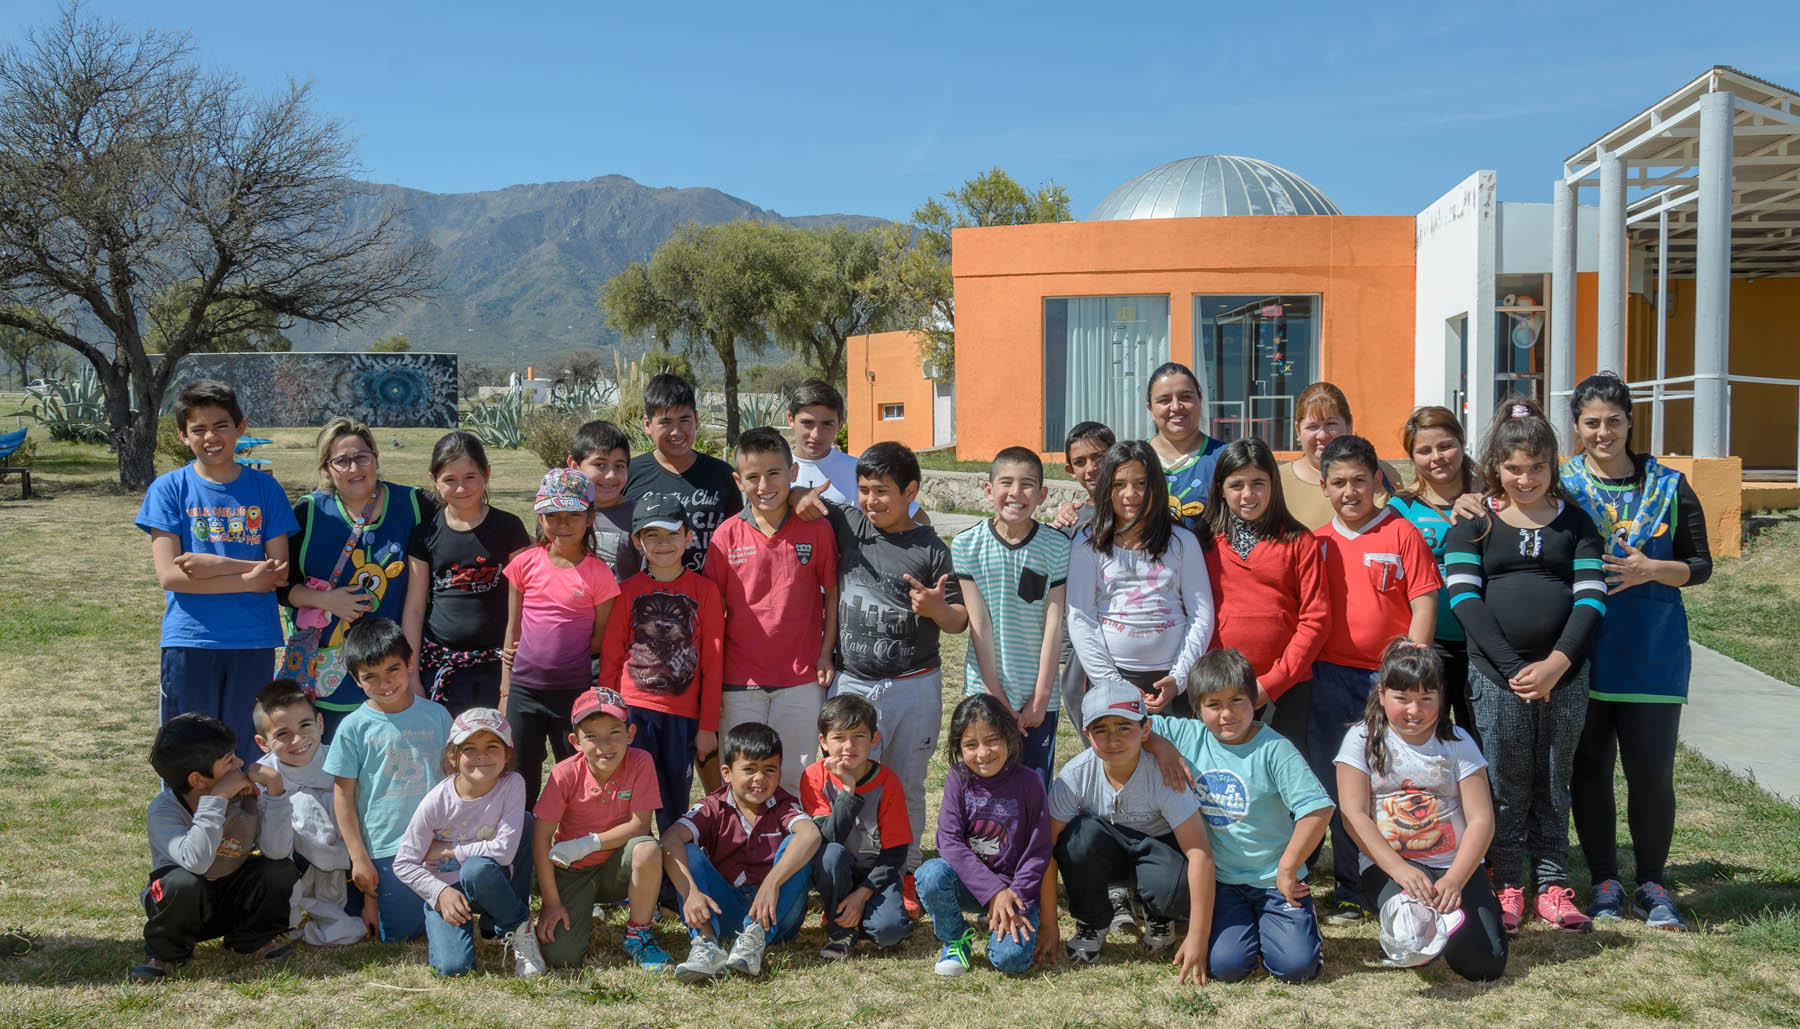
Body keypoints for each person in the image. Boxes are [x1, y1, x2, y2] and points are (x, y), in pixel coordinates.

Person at [1445, 399, 1607, 934]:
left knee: (1555, 778)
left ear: (1552, 467)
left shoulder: (1577, 524)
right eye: (1514, 468)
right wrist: (1515, 667)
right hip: (1497, 677)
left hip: (1565, 675)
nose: (1526, 478)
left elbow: (1591, 600)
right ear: (1497, 467)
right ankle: (1507, 880)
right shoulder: (1475, 522)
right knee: (1507, 782)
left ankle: (1554, 883)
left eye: (1537, 468)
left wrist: (1557, 663)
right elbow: (1465, 600)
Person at [1561, 372, 1712, 930]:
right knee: (1590, 770)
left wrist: (1653, 569)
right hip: (1584, 651)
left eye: (1614, 421)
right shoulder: (1562, 486)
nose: (1604, 432)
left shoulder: (1670, 486)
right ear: (1577, 427)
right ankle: (1603, 879)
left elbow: (1700, 565)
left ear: (1630, 423)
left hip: (1652, 652)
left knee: (1651, 775)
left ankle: (1652, 882)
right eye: (1592, 423)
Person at [822, 441, 967, 907]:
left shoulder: (930, 547)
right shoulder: (847, 523)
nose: (871, 501)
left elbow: (959, 619)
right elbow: (799, 502)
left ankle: (903, 869)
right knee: (849, 775)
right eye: (864, 490)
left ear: (911, 491)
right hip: (854, 683)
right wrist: (803, 500)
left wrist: (936, 608)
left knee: (906, 781)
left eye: (883, 491)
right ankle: (843, 863)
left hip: (914, 683)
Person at [1310, 434, 1440, 925]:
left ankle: (1395, 873)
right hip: (1327, 676)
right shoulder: (1318, 541)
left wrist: (1411, 669)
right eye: (1339, 482)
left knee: (1387, 780)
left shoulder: (1401, 533)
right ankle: (1347, 884)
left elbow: (1424, 599)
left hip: (1385, 683)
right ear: (1324, 487)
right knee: (1339, 783)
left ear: (1377, 481)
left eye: (1359, 481)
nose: (1350, 491)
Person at [1144, 649, 1332, 984]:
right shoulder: (1188, 735)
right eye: (1213, 705)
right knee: (1227, 967)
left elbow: (1317, 810)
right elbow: (1135, 723)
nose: (1226, 714)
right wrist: (1162, 747)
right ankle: (1251, 931)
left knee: (1296, 968)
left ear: (1255, 700)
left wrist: (1288, 869)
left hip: (1276, 881)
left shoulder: (1275, 750)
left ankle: (1288, 927)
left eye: (1237, 701)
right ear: (1197, 709)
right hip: (1224, 882)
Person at [136, 380, 296, 762]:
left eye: (221, 425)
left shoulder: (265, 489)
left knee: (246, 752)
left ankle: (240, 823)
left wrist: (214, 566)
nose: (211, 436)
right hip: (191, 641)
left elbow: (278, 573)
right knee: (190, 753)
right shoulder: (168, 489)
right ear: (182, 435)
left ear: (240, 427)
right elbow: (171, 577)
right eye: (199, 429)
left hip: (252, 641)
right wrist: (244, 578)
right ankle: (189, 824)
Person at [1334, 640, 1508, 982]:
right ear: (1382, 694)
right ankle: (1420, 927)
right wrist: (1400, 871)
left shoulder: (1458, 742)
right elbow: (1353, 815)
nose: (1414, 710)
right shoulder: (1362, 738)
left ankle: (1456, 917)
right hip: (1391, 864)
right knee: (1414, 942)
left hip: (1453, 865)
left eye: (1426, 699)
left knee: (1484, 965)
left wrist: (1456, 879)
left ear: (1441, 696)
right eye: (1403, 699)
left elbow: (1481, 819)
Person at [1037, 680, 1214, 981]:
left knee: (1173, 881)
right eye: (1101, 729)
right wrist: (1049, 924)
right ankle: (1092, 921)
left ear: (1146, 731)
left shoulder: (1164, 774)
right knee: (1076, 839)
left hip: (1156, 849)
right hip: (1106, 852)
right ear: (1087, 734)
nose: (1113, 739)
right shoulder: (1075, 776)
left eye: (1124, 727)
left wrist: (1198, 936)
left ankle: (1160, 917)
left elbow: (1200, 854)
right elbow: (1045, 850)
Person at [704, 426, 839, 794]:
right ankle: (742, 851)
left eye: (774, 473)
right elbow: (713, 614)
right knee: (744, 780)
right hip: (739, 683)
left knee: (795, 780)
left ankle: (792, 850)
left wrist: (826, 653)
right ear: (738, 481)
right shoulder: (725, 537)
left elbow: (831, 594)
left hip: (801, 678)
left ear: (793, 473)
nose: (764, 485)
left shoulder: (817, 530)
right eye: (753, 477)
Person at [282, 418, 435, 739]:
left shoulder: (413, 505)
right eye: (342, 460)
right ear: (327, 467)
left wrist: (412, 669)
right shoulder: (308, 513)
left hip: (393, 672)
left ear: (376, 457)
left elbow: (421, 597)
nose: (354, 468)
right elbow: (283, 588)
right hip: (330, 674)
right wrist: (327, 600)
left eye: (362, 457)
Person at [131, 713, 298, 982]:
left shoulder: (242, 797)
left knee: (278, 869)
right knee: (182, 883)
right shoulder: (164, 811)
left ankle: (251, 938)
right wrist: (217, 799)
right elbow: (196, 862)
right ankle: (166, 955)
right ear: (198, 780)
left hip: (228, 900)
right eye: (229, 761)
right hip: (182, 908)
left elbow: (277, 853)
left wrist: (276, 791)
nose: (241, 764)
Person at [324, 617, 454, 943]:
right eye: (371, 677)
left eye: (392, 670)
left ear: (410, 662)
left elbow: (453, 780)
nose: (385, 683)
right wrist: (359, 859)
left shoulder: (437, 715)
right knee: (400, 936)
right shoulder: (353, 728)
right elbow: (343, 797)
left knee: (446, 920)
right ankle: (374, 904)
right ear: (356, 680)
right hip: (387, 851)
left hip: (438, 844)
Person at [663, 723, 823, 983]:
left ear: (780, 773)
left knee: (798, 847)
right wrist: (690, 891)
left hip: (776, 915)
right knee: (688, 851)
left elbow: (811, 834)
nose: (759, 779)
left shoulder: (783, 804)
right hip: (725, 911)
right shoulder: (712, 806)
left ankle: (753, 941)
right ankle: (706, 945)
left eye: (769, 769)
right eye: (749, 769)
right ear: (726, 773)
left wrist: (771, 883)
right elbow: (669, 840)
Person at [602, 495, 725, 832]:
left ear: (688, 537)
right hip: (633, 712)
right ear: (638, 542)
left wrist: (707, 726)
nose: (663, 544)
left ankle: (672, 878)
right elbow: (612, 656)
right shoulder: (627, 591)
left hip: (681, 717)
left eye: (672, 534)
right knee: (629, 804)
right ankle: (634, 874)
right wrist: (610, 715)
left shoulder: (706, 592)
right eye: (651, 535)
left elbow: (713, 665)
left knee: (674, 806)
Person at [1066, 440, 1214, 719]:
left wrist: (1180, 677)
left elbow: (1201, 614)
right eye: (1119, 484)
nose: (1130, 494)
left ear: (1156, 487)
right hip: (1110, 676)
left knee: (1172, 761)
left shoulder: (1182, 542)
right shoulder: (1088, 543)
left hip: (1171, 681)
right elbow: (1080, 617)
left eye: (1141, 484)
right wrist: (1114, 684)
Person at [1200, 438, 1328, 756]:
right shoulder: (1201, 543)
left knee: (1280, 776)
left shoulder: (1300, 541)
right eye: (1237, 485)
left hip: (1286, 689)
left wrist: (1273, 683)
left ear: (1273, 484)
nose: (1248, 495)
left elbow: (1316, 619)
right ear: (1220, 489)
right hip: (1218, 687)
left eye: (1259, 483)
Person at [502, 468, 622, 808]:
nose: (563, 524)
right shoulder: (524, 564)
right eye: (553, 516)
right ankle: (522, 850)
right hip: (523, 693)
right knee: (519, 777)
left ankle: (577, 851)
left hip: (572, 693)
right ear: (540, 518)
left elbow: (598, 640)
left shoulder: (599, 574)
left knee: (577, 775)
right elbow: (512, 632)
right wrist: (505, 691)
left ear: (590, 517)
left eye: (573, 515)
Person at [393, 707, 544, 977]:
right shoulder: (436, 801)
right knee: (454, 968)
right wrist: (440, 893)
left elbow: (505, 852)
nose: (481, 755)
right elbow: (404, 863)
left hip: (489, 878)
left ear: (507, 753)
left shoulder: (512, 784)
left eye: (492, 746)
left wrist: (449, 849)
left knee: (485, 861)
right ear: (452, 756)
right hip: (446, 886)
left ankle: (518, 926)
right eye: (469, 748)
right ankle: (479, 920)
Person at [952, 446, 1070, 783]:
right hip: (985, 688)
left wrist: (1041, 696)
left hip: (1038, 696)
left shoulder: (1057, 546)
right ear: (989, 490)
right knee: (985, 783)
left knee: (1034, 786)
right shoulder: (965, 545)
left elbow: (1053, 622)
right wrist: (997, 697)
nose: (1016, 493)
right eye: (1006, 483)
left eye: (1028, 484)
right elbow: (980, 624)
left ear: (1043, 494)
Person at [531, 686, 669, 971]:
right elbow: (541, 838)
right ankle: (562, 910)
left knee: (647, 848)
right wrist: (552, 902)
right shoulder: (564, 774)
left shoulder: (641, 762)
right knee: (562, 957)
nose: (604, 745)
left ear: (630, 733)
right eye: (591, 736)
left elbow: (640, 824)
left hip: (616, 868)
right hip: (572, 871)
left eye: (614, 733)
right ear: (575, 741)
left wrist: (587, 843)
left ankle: (638, 934)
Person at [915, 694, 1052, 977]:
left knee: (1010, 961)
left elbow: (1038, 849)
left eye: (992, 740)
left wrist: (1013, 896)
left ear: (1010, 738)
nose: (983, 753)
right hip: (972, 886)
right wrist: (992, 893)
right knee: (930, 874)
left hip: (1015, 893)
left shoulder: (1030, 781)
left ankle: (1003, 932)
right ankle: (956, 939)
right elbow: (949, 843)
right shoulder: (958, 778)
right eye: (970, 745)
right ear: (958, 748)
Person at [405, 431, 532, 717]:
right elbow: (413, 608)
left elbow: (523, 603)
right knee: (447, 752)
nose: (461, 488)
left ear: (486, 474)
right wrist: (412, 676)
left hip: (497, 664)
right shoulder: (425, 534)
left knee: (494, 749)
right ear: (434, 481)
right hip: (442, 664)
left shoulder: (508, 528)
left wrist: (508, 682)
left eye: (470, 477)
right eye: (450, 480)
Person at [1387, 407, 1483, 742]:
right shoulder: (1401, 508)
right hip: (1429, 643)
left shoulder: (1492, 498)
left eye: (1445, 446)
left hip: (1482, 643)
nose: (1436, 458)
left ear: (1462, 441)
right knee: (1430, 740)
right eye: (1424, 451)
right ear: (1412, 457)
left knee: (1482, 739)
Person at [801, 694, 914, 959]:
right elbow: (827, 839)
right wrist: (848, 790)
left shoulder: (888, 781)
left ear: (874, 739)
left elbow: (896, 852)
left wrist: (861, 896)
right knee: (831, 853)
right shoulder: (814, 776)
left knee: (889, 932)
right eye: (838, 737)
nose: (848, 746)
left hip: (875, 874)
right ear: (824, 742)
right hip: (835, 870)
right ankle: (841, 930)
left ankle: (852, 911)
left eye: (859, 736)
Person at [252, 680, 363, 947]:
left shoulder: (342, 761)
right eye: (282, 734)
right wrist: (276, 791)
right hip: (291, 869)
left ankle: (325, 916)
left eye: (305, 726)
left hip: (345, 869)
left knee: (356, 929)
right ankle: (290, 918)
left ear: (320, 723)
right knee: (301, 803)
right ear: (263, 743)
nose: (298, 740)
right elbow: (273, 850)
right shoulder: (260, 777)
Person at [623, 373, 742, 573]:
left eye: (684, 420)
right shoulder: (629, 474)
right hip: (644, 598)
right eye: (665, 422)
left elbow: (739, 538)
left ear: (696, 419)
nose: (676, 432)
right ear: (647, 424)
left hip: (708, 597)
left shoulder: (722, 475)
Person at [1050, 421, 1117, 727]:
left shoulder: (1139, 511)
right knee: (1079, 696)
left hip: (1131, 633)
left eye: (1099, 457)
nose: (1091, 468)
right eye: (1080, 462)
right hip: (1085, 637)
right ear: (1070, 471)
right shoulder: (1072, 521)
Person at [786, 378, 924, 520]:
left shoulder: (859, 471)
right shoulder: (771, 471)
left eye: (827, 424)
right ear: (791, 419)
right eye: (807, 423)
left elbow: (918, 519)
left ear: (840, 424)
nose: (816, 435)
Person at [1278, 382, 1402, 530]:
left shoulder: (1382, 473)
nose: (1322, 435)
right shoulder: (1276, 482)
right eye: (1313, 427)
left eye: (1331, 424)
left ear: (1349, 424)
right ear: (1298, 429)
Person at [1145, 362, 1227, 532]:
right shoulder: (1133, 459)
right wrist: (1075, 510)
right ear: (1150, 409)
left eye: (1186, 397)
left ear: (1200, 400)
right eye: (1164, 400)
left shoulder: (1225, 458)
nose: (1176, 407)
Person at [568, 419, 642, 583]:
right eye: (600, 464)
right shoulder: (561, 513)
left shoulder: (639, 518)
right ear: (574, 466)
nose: (611, 475)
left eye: (619, 466)